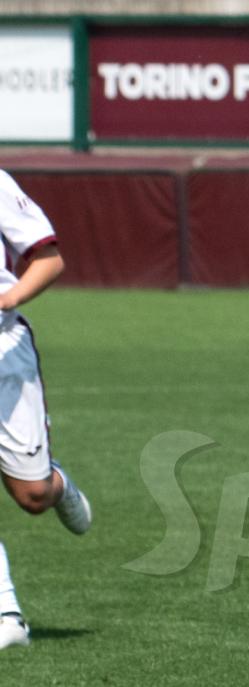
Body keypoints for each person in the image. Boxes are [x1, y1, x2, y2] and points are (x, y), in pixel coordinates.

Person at [0, 170, 93, 649]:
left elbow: (48, 260)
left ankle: (58, 484)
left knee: (32, 496)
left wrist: (7, 297)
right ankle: (7, 615)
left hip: (3, 349)